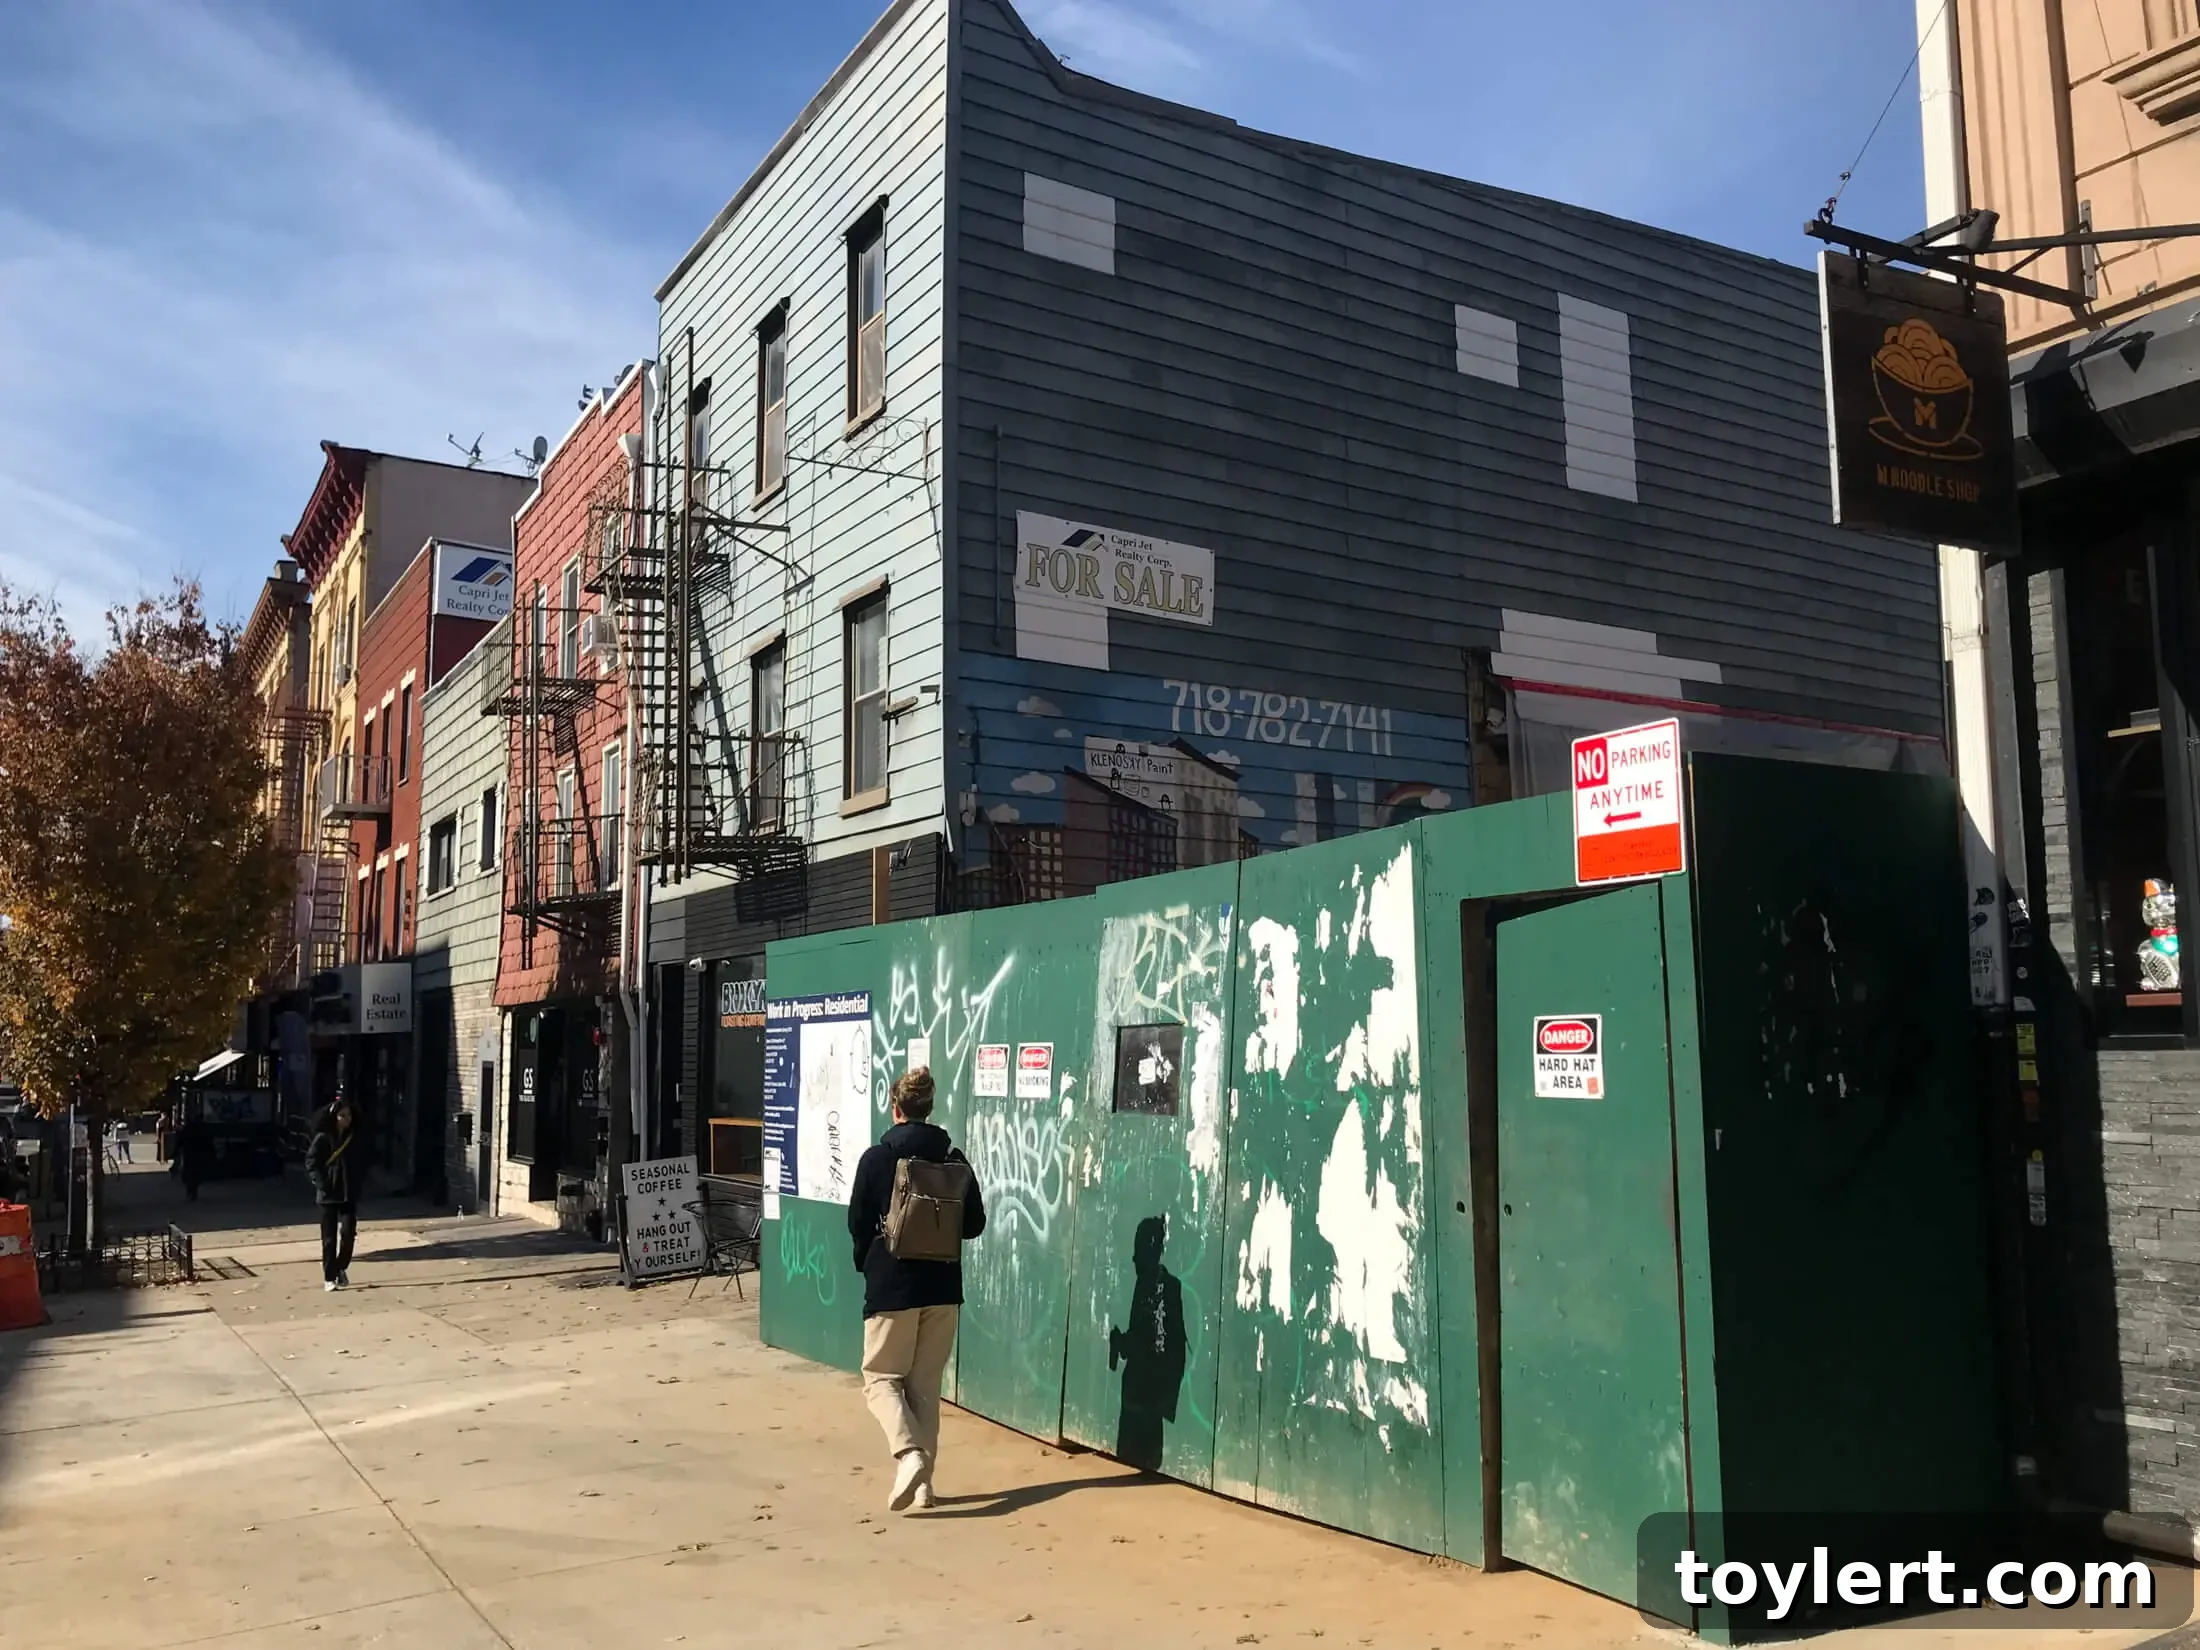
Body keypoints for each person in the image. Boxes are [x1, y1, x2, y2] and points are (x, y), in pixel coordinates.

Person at [846, 1067, 986, 1512]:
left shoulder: (877, 1159)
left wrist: (867, 1263)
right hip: (943, 1287)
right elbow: (975, 1224)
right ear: (929, 1107)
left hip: (892, 1287)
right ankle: (924, 1486)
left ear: (896, 1107)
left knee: (880, 1379)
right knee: (924, 1387)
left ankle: (908, 1455)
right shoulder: (954, 1160)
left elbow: (857, 1222)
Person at [308, 1098, 359, 1292]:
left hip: (348, 1193)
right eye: (342, 1115)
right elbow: (311, 1162)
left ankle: (340, 1267)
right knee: (329, 1238)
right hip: (328, 1194)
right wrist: (322, 1183)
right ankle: (329, 1277)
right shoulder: (323, 1138)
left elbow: (362, 1160)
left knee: (348, 1234)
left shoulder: (353, 1137)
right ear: (334, 1117)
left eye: (349, 1115)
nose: (346, 1119)